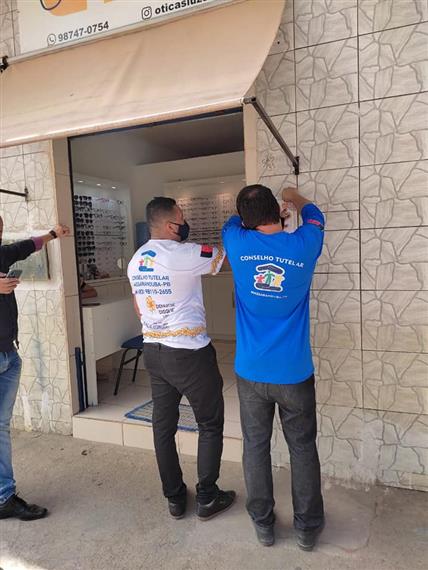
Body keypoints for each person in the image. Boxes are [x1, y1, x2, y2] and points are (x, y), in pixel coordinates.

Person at [222, 185, 325, 551]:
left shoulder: (236, 241)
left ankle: (263, 525)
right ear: (276, 210)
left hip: (251, 371)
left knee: (255, 447)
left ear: (247, 220)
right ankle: (307, 529)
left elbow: (233, 221)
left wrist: (266, 218)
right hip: (294, 372)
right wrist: (293, 196)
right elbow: (315, 216)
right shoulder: (304, 244)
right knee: (302, 449)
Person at [127, 197, 235, 521]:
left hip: (153, 351)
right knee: (210, 423)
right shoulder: (185, 253)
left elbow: (138, 307)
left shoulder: (136, 260)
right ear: (170, 225)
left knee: (163, 426)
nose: (185, 223)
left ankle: (174, 498)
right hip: (189, 354)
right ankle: (207, 497)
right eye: (182, 218)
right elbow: (226, 260)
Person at [0, 217, 70, 521]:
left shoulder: (2, 254)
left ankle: (3, 496)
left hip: (8, 355)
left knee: (1, 428)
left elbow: (29, 245)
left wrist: (54, 234)